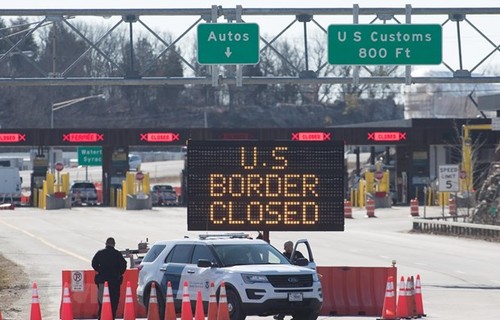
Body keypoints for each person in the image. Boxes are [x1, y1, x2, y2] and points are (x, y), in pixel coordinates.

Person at [92, 237, 127, 320]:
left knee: (102, 300)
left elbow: (94, 264)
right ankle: (112, 316)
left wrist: (99, 270)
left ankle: (102, 316)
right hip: (114, 281)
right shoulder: (117, 254)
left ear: (106, 244)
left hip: (102, 281)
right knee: (114, 301)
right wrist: (119, 273)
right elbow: (123, 265)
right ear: (114, 244)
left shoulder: (100, 253)